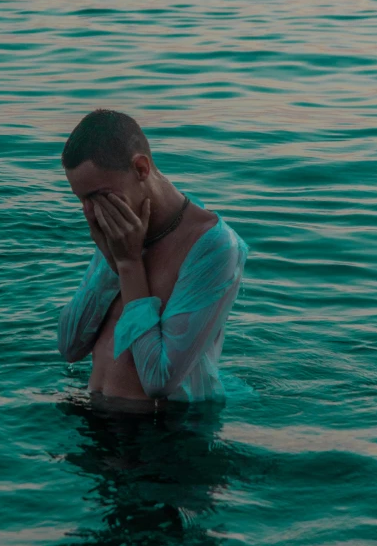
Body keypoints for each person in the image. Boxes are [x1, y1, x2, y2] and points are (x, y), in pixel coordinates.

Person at [57, 108, 249, 405]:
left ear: (141, 169)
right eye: (81, 199)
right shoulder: (121, 227)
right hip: (92, 416)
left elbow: (158, 380)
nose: (90, 212)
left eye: (99, 196)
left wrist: (129, 264)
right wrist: (112, 263)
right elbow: (70, 346)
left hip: (164, 434)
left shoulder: (214, 247)